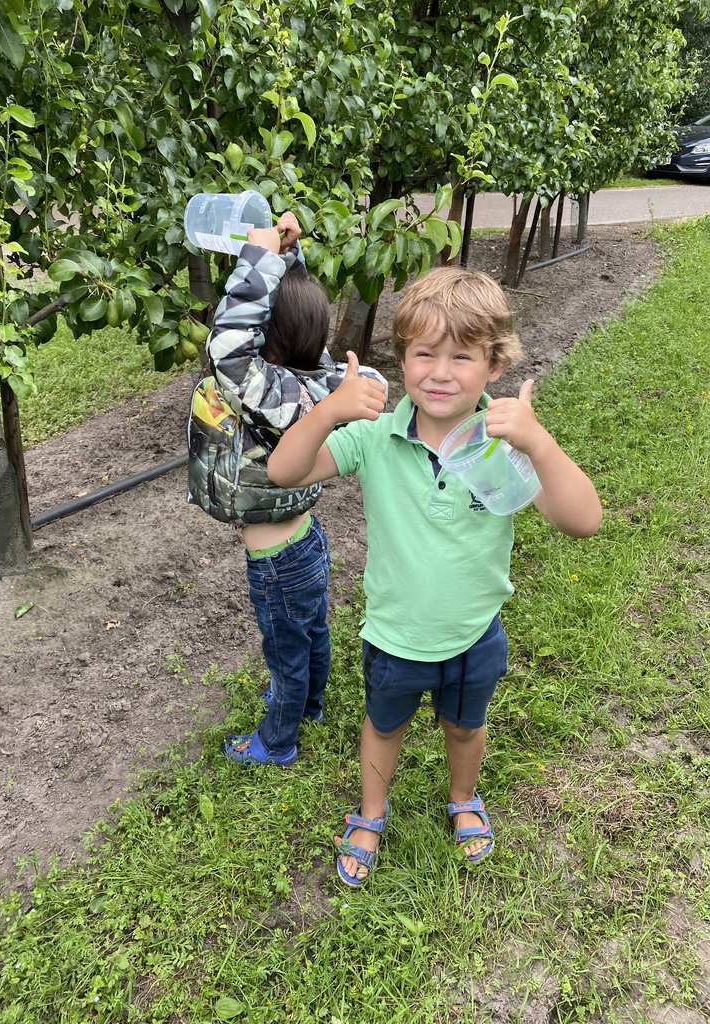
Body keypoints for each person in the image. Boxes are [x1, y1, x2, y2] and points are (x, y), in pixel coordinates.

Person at [267, 264, 602, 885]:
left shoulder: (500, 443)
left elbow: (583, 520)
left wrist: (540, 444)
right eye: (424, 353)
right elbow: (285, 472)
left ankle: (464, 798)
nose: (440, 372)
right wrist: (328, 412)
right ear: (402, 358)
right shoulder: (373, 437)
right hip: (395, 636)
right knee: (383, 727)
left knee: (464, 727)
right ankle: (370, 814)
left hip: (475, 633)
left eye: (462, 356)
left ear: (495, 366)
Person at [190, 211, 386, 767]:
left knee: (285, 653)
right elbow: (291, 327)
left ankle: (278, 740)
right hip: (306, 543)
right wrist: (286, 259)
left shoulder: (270, 389)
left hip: (275, 559)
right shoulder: (315, 382)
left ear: (262, 342)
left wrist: (258, 261)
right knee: (312, 631)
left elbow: (228, 348)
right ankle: (313, 705)